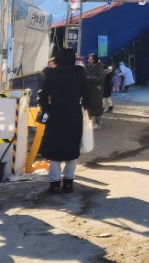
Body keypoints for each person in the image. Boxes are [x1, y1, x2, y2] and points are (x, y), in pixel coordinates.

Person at [37, 48, 90, 193]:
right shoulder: (79, 74)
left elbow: (41, 96)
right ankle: (68, 182)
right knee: (72, 147)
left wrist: (47, 109)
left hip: (56, 114)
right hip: (73, 113)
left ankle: (54, 183)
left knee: (55, 148)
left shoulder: (50, 75)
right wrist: (82, 107)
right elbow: (87, 94)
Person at [85, 54, 106, 129]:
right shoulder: (86, 67)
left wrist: (89, 78)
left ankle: (97, 123)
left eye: (91, 59)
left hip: (97, 91)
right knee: (88, 107)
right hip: (88, 90)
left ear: (95, 60)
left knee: (97, 107)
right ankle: (88, 123)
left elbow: (101, 78)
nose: (89, 60)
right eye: (88, 59)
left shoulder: (99, 68)